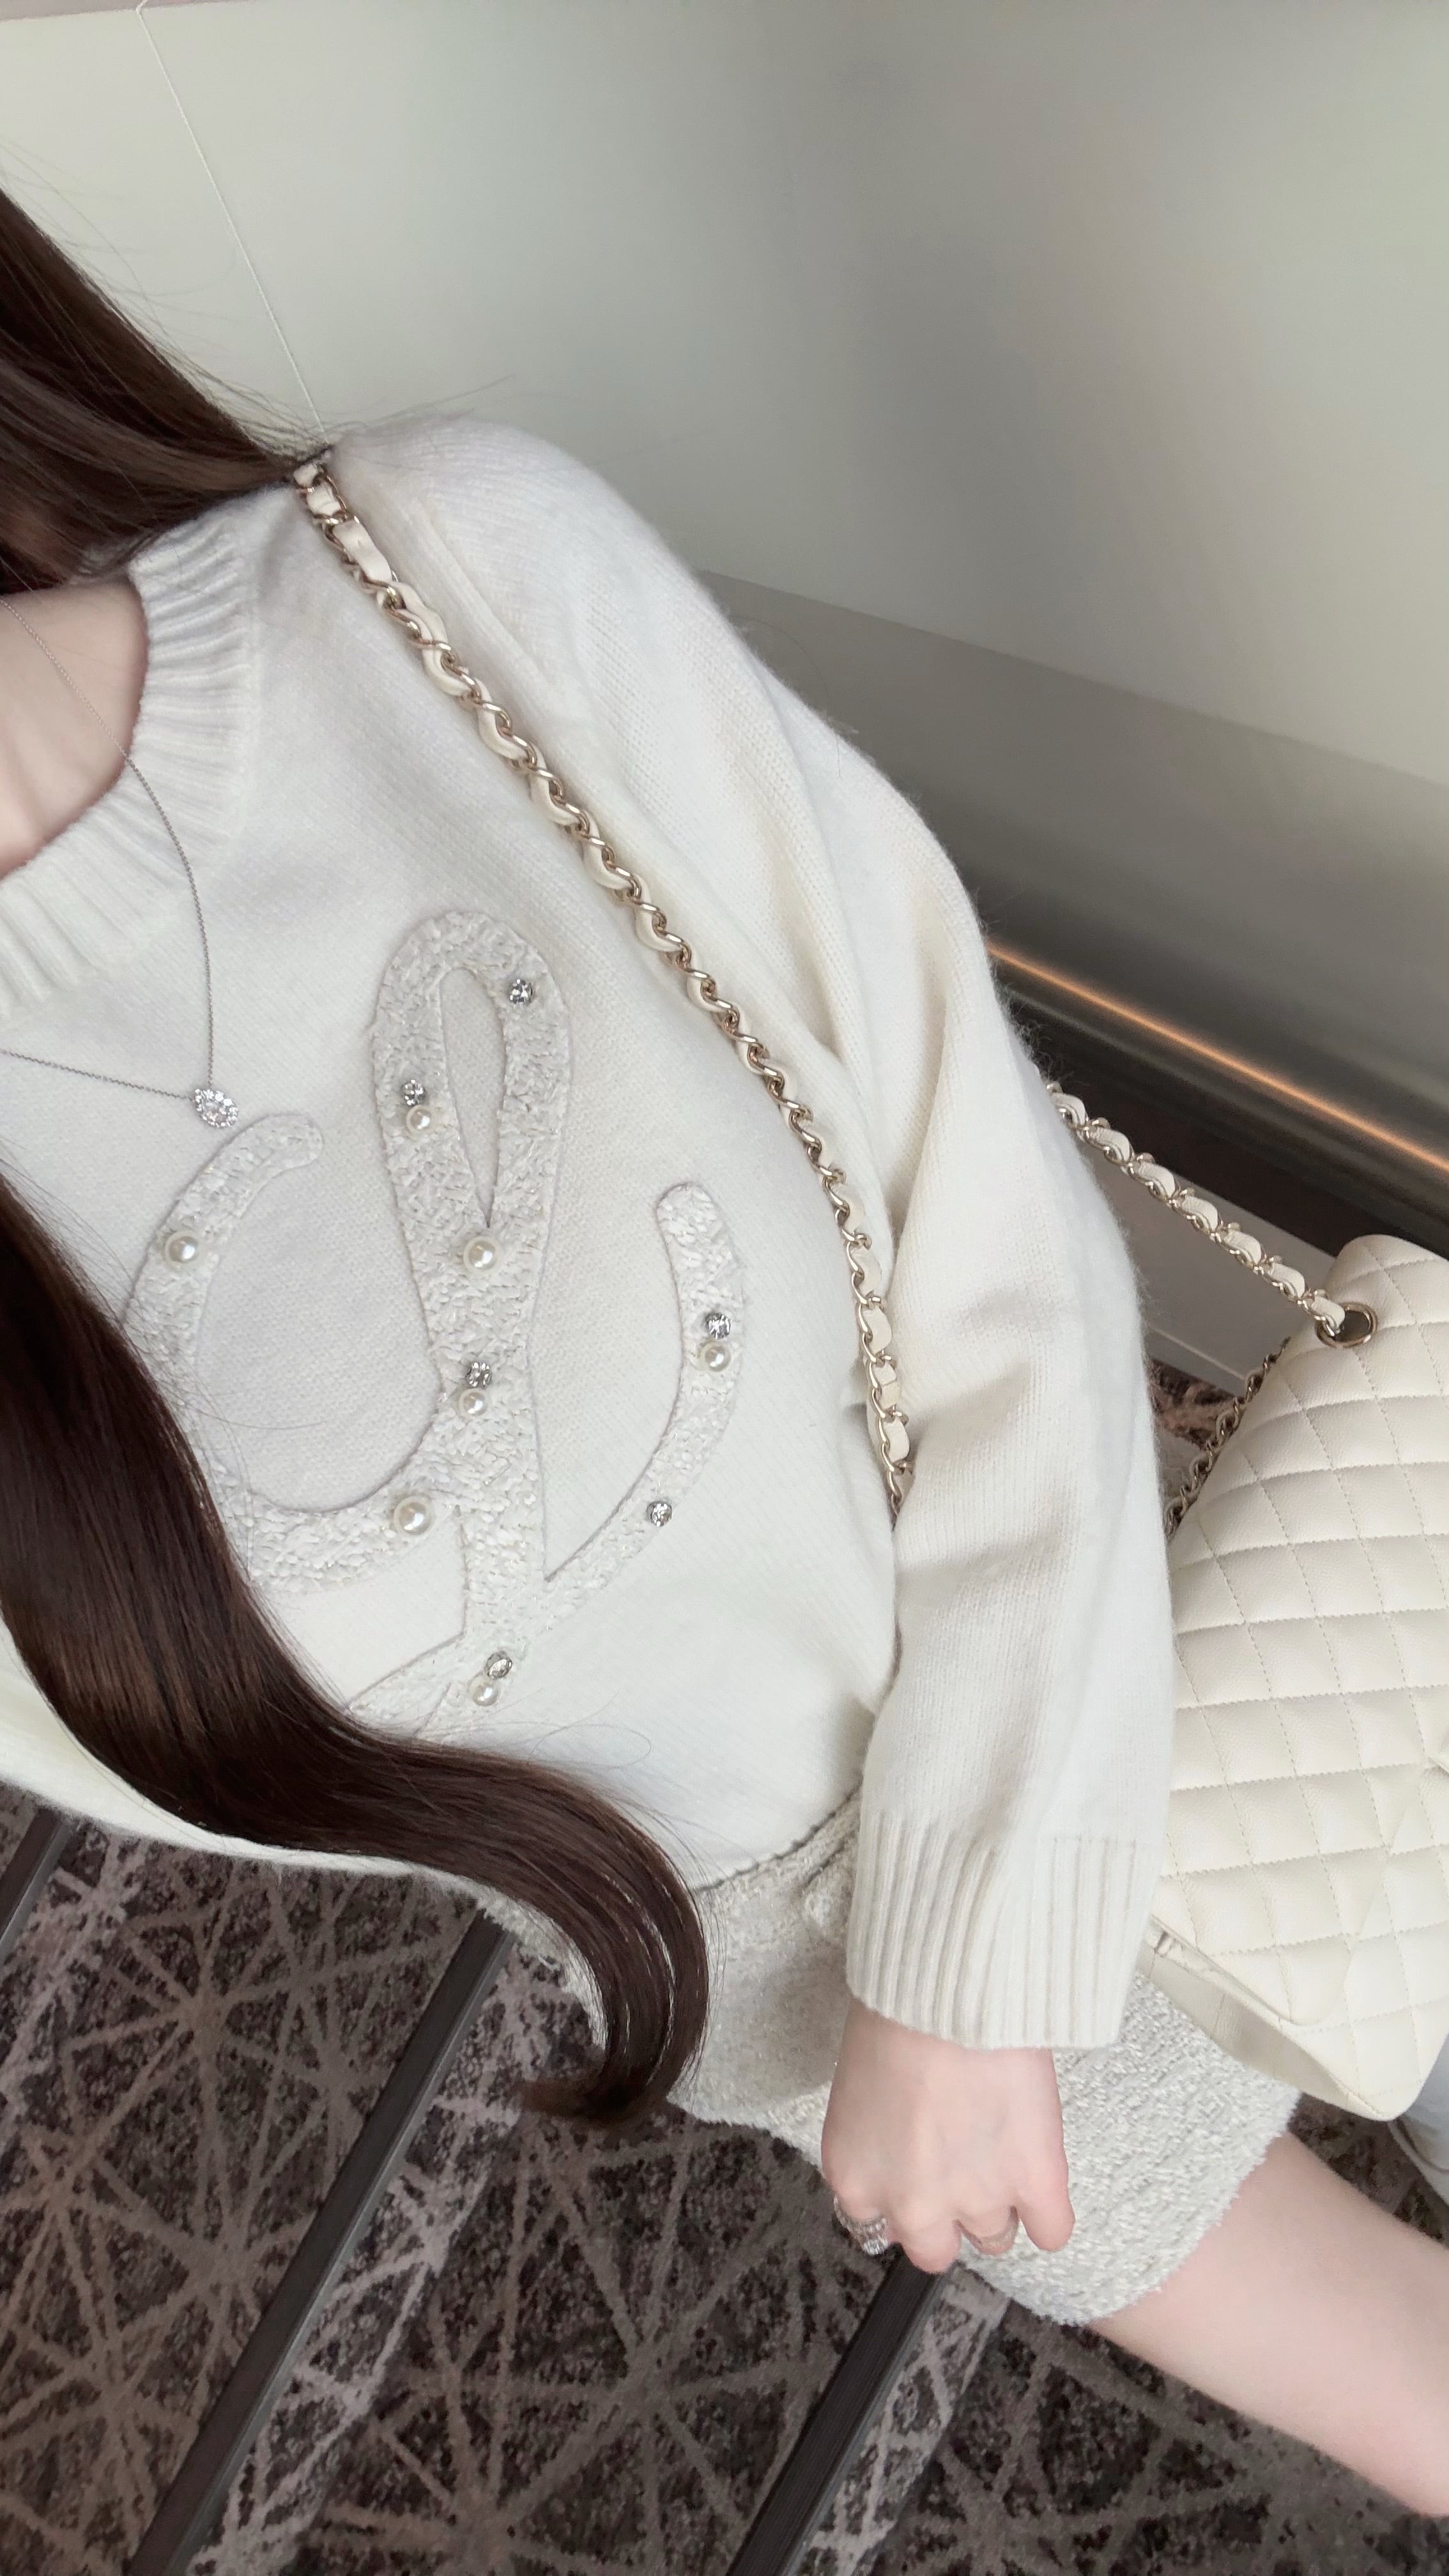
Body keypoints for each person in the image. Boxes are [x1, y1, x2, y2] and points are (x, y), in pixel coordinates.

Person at [1, 185, 1446, 2519]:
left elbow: (981, 1214)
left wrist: (977, 1928)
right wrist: (908, 1991)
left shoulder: (432, 576)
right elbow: (409, 1773)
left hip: (1218, 1568)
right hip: (806, 1964)